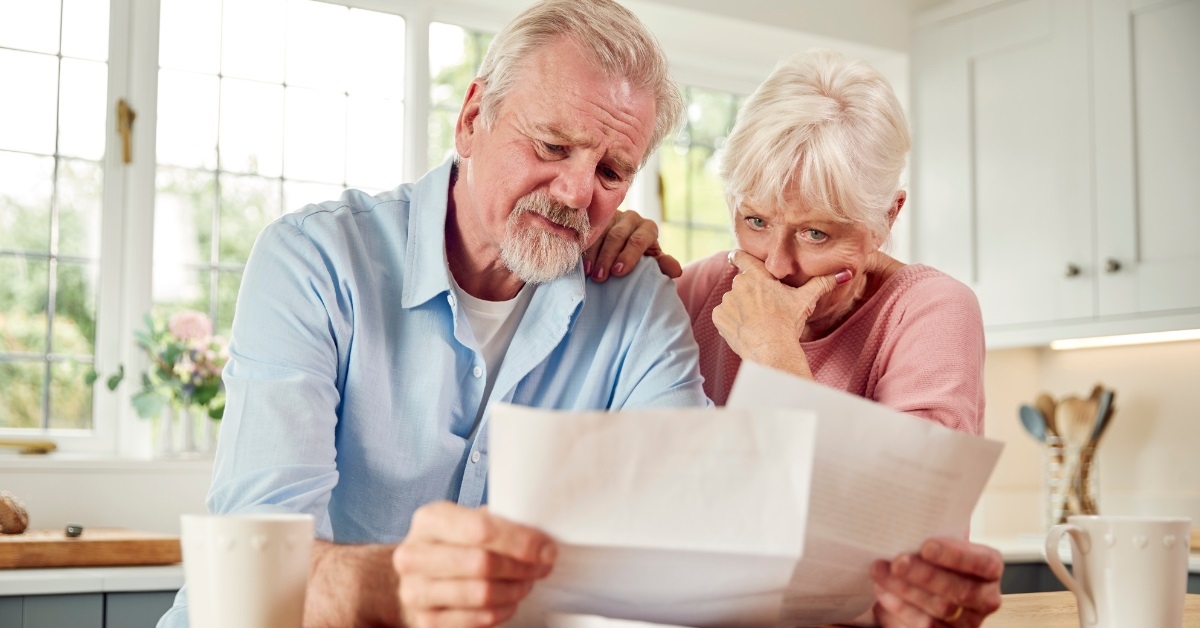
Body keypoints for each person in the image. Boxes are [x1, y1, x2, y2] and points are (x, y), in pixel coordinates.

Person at [157, 1, 708, 626]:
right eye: (553, 146)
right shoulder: (315, 261)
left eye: (611, 171)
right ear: (472, 119)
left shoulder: (638, 304)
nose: (578, 193)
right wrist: (415, 586)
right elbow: (252, 568)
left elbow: (682, 543)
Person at [591, 50, 1004, 626]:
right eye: (756, 221)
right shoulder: (704, 289)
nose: (779, 265)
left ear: (887, 215)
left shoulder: (930, 310)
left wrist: (774, 355)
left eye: (815, 232)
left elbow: (898, 538)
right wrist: (612, 253)